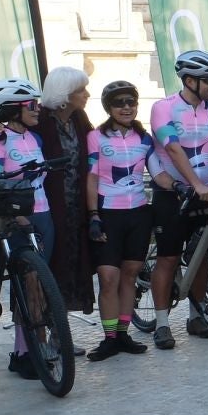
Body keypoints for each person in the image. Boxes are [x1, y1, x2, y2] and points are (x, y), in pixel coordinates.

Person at [148, 50, 208, 347]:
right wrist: (192, 184)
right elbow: (173, 148)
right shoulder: (163, 108)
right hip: (172, 192)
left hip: (207, 190)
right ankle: (162, 323)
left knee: (202, 256)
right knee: (168, 257)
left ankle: (196, 315)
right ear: (190, 81)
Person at [0, 77, 59, 376]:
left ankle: (24, 350)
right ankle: (29, 351)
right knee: (27, 284)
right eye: (31, 104)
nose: (37, 109)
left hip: (44, 213)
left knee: (39, 284)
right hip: (18, 218)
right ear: (14, 109)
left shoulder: (33, 137)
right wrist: (15, 216)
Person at [84, 80, 155, 360]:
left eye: (131, 102)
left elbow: (159, 172)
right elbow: (91, 177)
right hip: (108, 212)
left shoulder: (145, 138)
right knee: (108, 277)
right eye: (119, 103)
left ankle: (123, 335)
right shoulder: (96, 137)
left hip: (138, 212)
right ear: (108, 108)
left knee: (129, 275)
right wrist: (93, 215)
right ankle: (109, 338)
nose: (126, 107)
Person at [34, 66, 97, 317]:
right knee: (50, 267)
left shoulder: (79, 120)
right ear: (65, 94)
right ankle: (42, 333)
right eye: (81, 90)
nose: (87, 94)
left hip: (76, 207)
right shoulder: (40, 121)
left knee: (72, 266)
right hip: (49, 207)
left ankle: (60, 336)